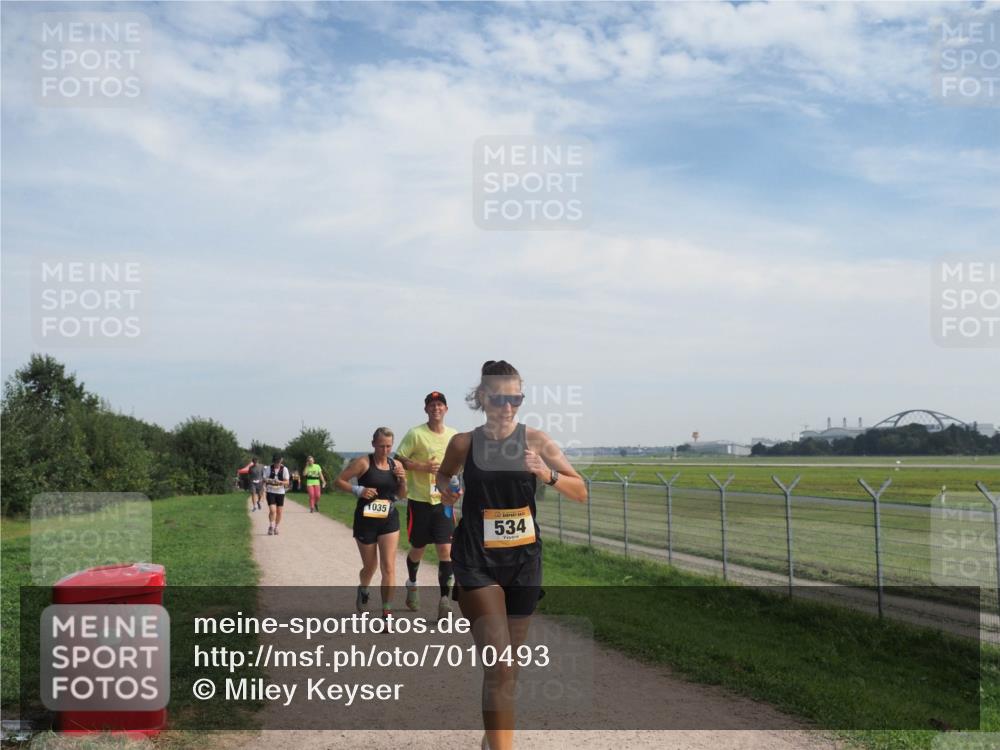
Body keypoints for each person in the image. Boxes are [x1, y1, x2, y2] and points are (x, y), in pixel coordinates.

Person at [437, 361, 585, 750]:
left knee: (509, 669)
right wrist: (448, 491)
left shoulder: (536, 440)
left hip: (523, 561)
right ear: (483, 397)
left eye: (515, 398)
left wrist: (546, 474)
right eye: (500, 398)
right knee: (499, 665)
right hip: (475, 559)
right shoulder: (464, 444)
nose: (508, 406)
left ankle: (493, 739)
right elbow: (443, 476)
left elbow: (581, 490)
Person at [395, 391, 459, 620]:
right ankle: (412, 583)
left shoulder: (454, 436)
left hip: (443, 501)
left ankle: (445, 601)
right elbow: (399, 458)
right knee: (418, 548)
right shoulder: (415, 433)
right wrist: (420, 466)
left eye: (440, 404)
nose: (436, 408)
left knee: (445, 550)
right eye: (432, 405)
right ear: (426, 409)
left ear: (446, 409)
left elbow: (459, 465)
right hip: (420, 501)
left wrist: (456, 488)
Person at [335, 428, 408, 618]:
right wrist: (358, 490)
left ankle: (387, 612)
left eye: (389, 446)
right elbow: (339, 481)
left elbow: (401, 495)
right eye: (382, 446)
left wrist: (403, 480)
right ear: (373, 443)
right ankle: (364, 588)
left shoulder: (396, 464)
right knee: (370, 566)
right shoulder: (363, 462)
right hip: (365, 521)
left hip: (389, 519)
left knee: (389, 567)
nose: (385, 450)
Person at [264, 453, 290, 536]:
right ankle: (271, 526)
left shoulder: (284, 469)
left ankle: (276, 527)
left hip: (280, 492)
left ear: (281, 461)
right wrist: (270, 481)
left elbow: (287, 482)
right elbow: (264, 479)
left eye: (278, 462)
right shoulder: (268, 468)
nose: (277, 464)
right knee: (272, 510)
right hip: (270, 491)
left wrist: (280, 482)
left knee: (279, 512)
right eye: (275, 462)